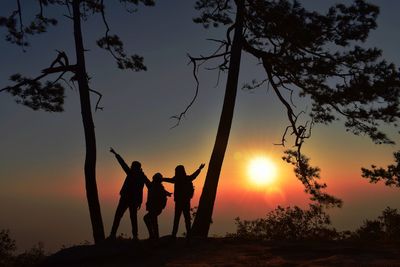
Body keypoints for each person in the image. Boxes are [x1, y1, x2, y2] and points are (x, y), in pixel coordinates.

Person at [109, 147, 149, 240]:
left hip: (127, 199)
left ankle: (113, 235)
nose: (131, 167)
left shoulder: (132, 173)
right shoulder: (141, 176)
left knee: (120, 216)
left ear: (135, 167)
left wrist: (116, 154)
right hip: (132, 199)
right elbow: (148, 187)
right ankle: (133, 236)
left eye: (133, 166)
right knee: (131, 217)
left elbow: (123, 164)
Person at [163, 163, 205, 238]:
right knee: (187, 219)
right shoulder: (186, 178)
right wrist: (199, 169)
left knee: (176, 219)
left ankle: (174, 235)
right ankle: (189, 235)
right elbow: (194, 176)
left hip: (179, 202)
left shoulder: (176, 179)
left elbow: (170, 180)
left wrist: (162, 179)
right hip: (186, 202)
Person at [143, 173, 172, 239]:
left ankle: (153, 236)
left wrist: (142, 174)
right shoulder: (159, 187)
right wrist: (168, 194)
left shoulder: (152, 186)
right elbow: (165, 193)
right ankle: (154, 236)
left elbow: (146, 180)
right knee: (153, 221)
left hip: (154, 208)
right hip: (157, 208)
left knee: (148, 219)